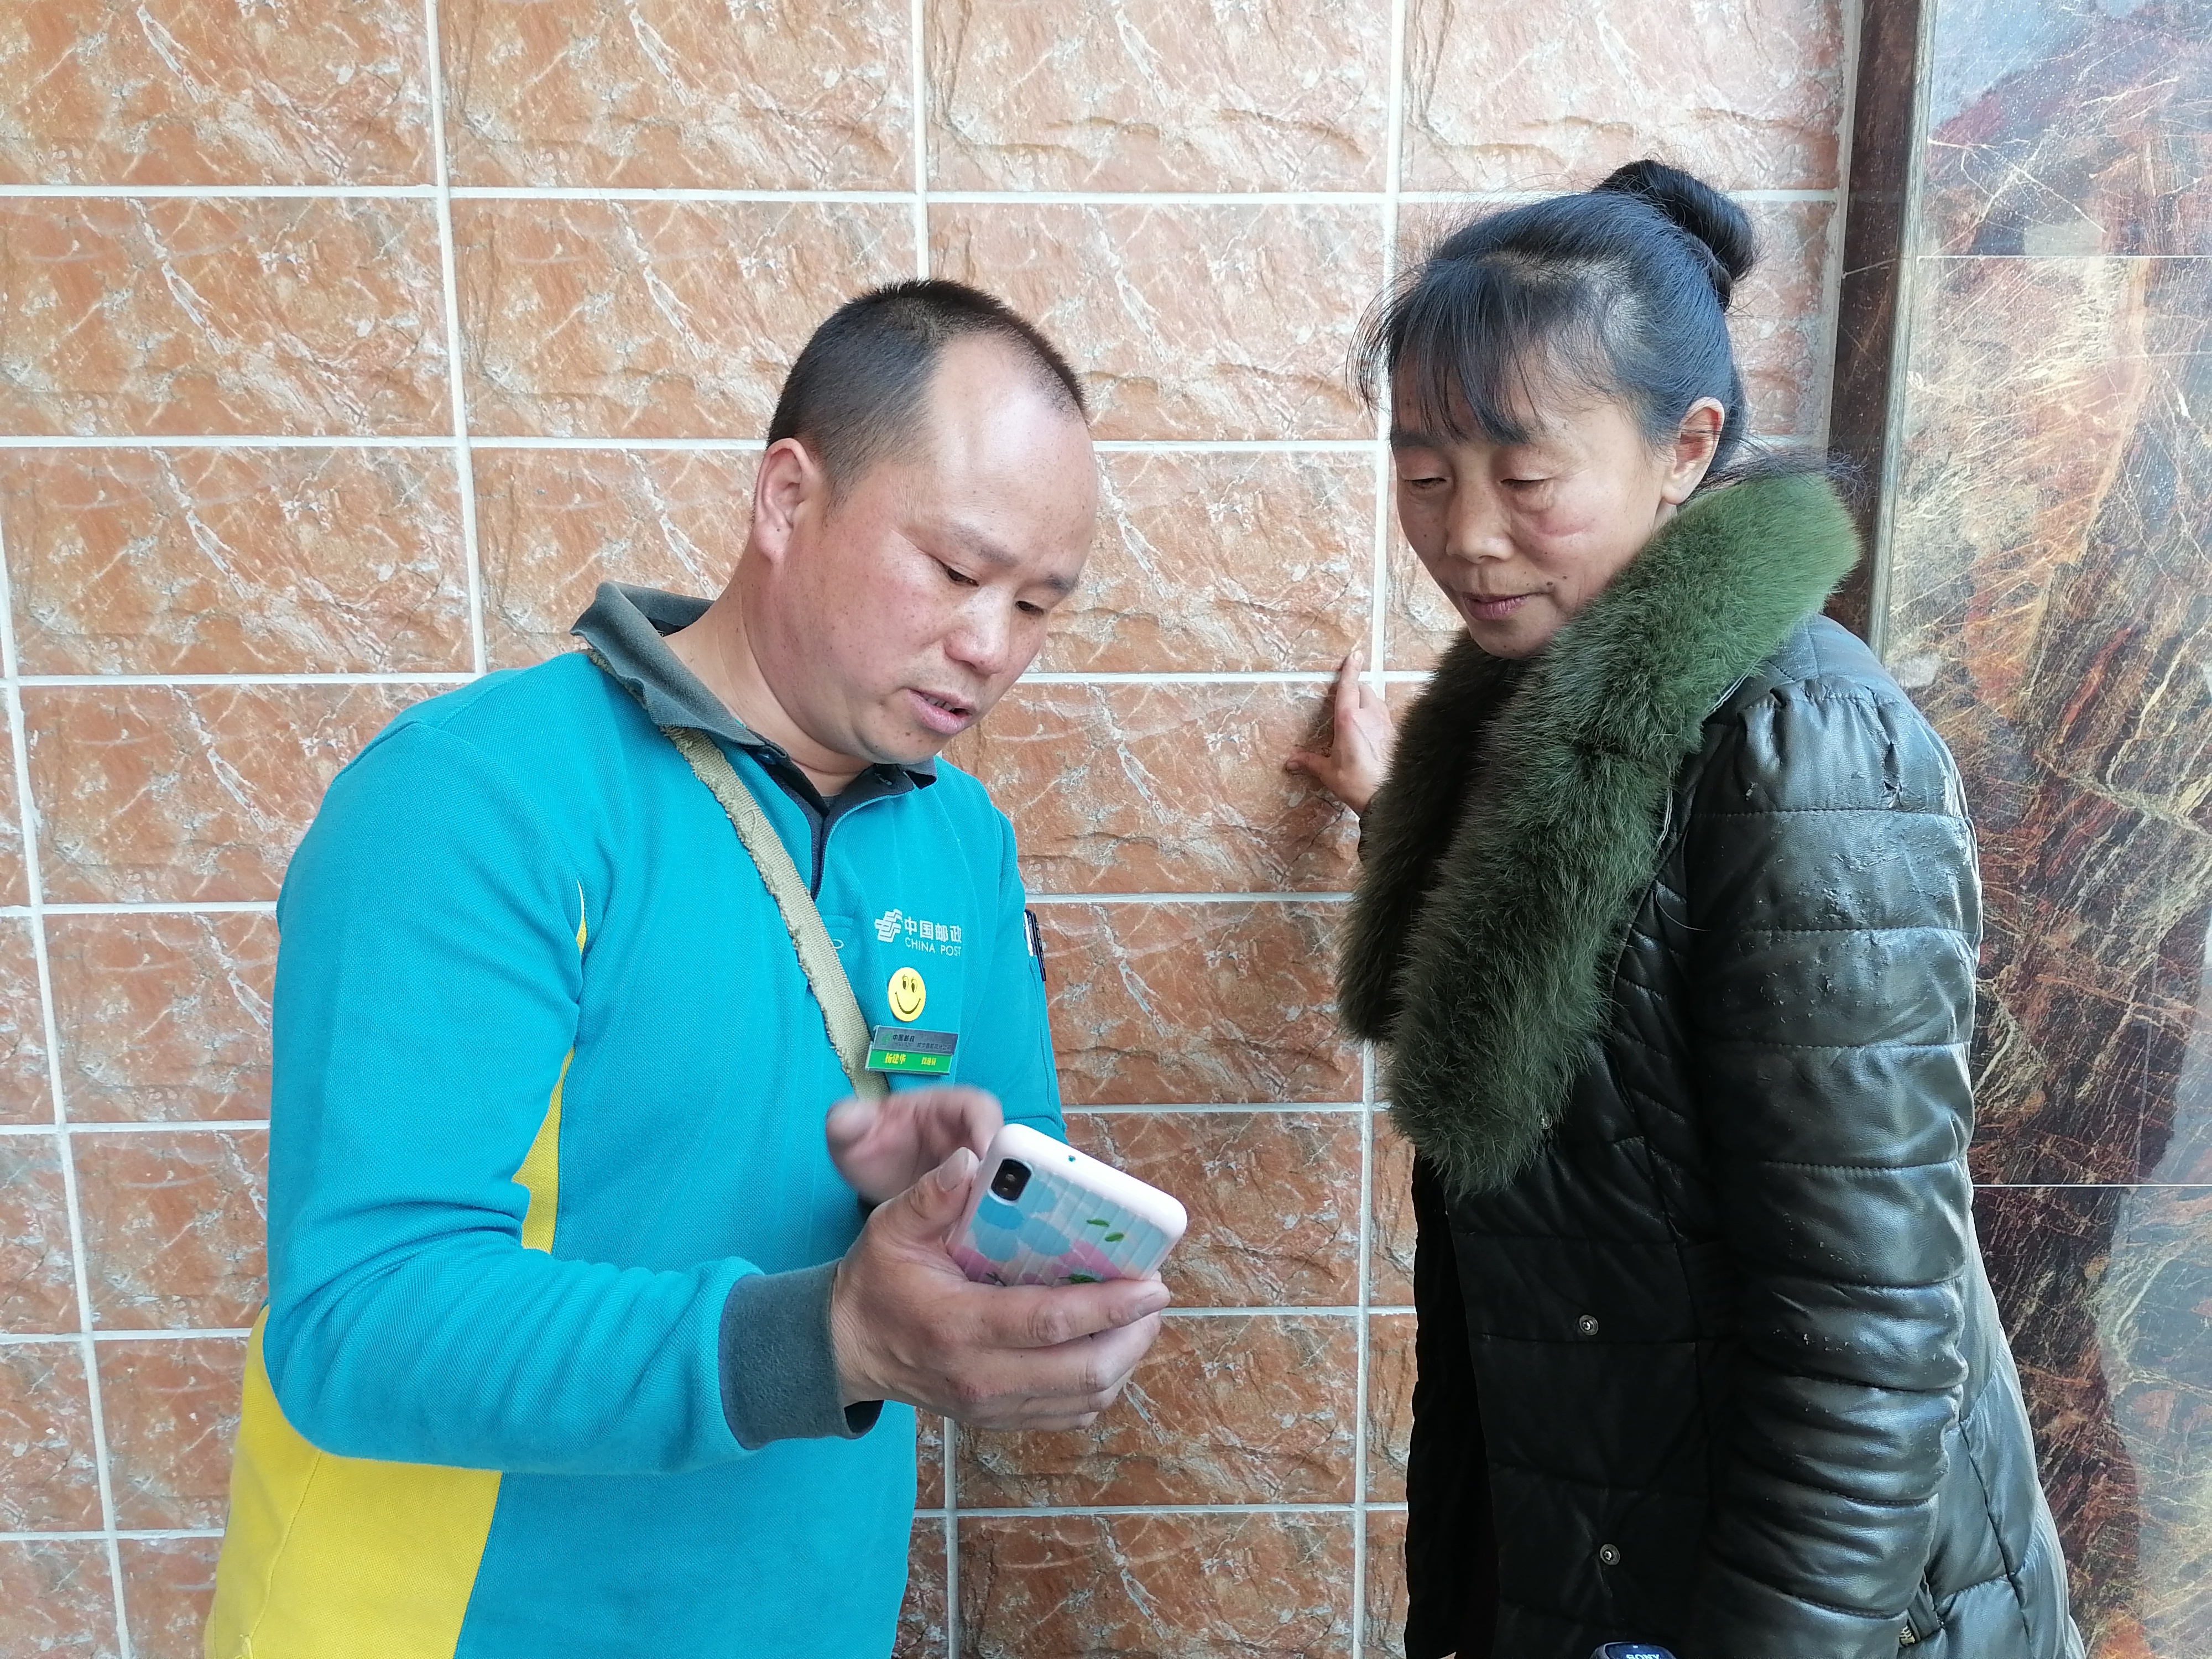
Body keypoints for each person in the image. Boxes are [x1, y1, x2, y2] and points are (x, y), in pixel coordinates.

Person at [204, 280, 1170, 1659]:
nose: (990, 646)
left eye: (1036, 604)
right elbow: (356, 1323)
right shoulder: (475, 800)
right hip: (448, 1624)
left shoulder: (960, 841)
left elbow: (1002, 1184)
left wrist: (1006, 1273)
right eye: (957, 573)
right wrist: (830, 1338)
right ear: (787, 498)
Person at [1288, 163, 2082, 1658]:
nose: (1467, 535)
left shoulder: (1801, 749)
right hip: (1607, 1537)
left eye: (1526, 479)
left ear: (1687, 449)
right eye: (1424, 475)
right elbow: (1618, 974)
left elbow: (1867, 1340)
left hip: (1802, 1601)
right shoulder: (1547, 706)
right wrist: (1404, 815)